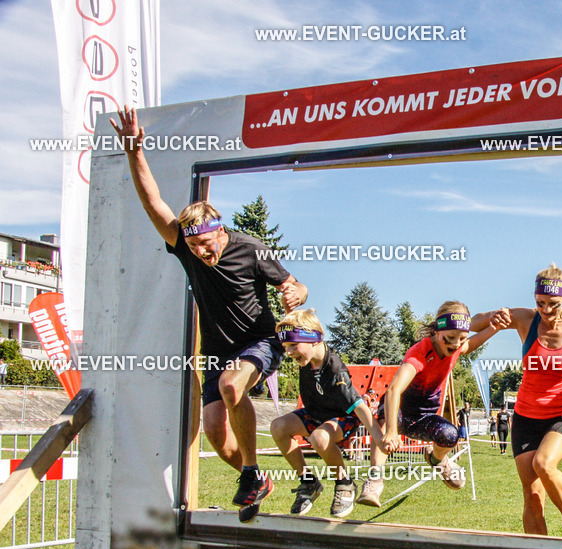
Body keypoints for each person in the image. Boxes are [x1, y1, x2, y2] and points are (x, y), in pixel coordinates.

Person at [111, 106, 308, 522]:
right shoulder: (185, 247)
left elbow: (296, 284)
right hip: (219, 350)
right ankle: (259, 481)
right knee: (217, 433)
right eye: (194, 247)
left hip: (260, 341)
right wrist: (135, 153)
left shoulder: (250, 248)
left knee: (233, 387)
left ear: (220, 230)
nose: (203, 253)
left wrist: (295, 291)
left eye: (207, 244)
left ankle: (253, 472)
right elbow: (153, 204)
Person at [471, 264, 562, 538]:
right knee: (532, 494)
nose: (546, 310)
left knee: (544, 464)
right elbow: (473, 322)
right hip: (525, 417)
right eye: (540, 302)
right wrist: (492, 318)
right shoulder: (525, 318)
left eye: (553, 304)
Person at [359, 302, 510, 506]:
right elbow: (394, 390)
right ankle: (374, 480)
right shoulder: (420, 352)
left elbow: (470, 345)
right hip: (400, 408)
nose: (455, 344)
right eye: (449, 339)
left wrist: (495, 328)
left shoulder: (456, 345)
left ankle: (437, 459)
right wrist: (392, 432)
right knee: (386, 426)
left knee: (451, 436)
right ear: (437, 331)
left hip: (424, 417)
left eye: (461, 338)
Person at [269, 310, 385, 518]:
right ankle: (308, 482)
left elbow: (359, 407)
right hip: (316, 415)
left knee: (319, 437)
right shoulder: (308, 356)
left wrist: (379, 437)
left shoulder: (335, 372)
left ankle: (345, 483)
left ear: (313, 340)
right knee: (278, 427)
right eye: (286, 347)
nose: (289, 353)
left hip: (343, 419)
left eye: (293, 346)